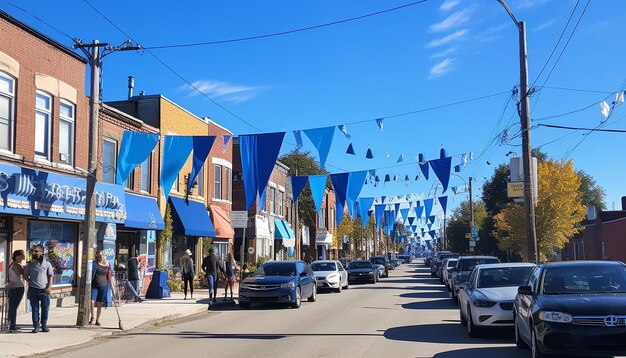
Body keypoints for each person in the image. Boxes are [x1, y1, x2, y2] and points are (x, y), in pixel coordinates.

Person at [22, 244, 54, 333]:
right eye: (34, 251)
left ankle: (44, 325)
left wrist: (49, 287)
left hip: (44, 290)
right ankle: (36, 326)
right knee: (35, 308)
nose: (35, 253)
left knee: (45, 308)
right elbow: (24, 275)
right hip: (33, 289)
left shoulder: (47, 264)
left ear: (41, 252)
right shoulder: (30, 264)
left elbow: (51, 276)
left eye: (37, 251)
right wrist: (30, 281)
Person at [90, 251, 114, 326]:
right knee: (91, 301)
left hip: (103, 285)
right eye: (98, 255)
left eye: (101, 255)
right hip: (94, 285)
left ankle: (97, 320)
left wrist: (112, 286)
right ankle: (92, 317)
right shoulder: (94, 264)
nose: (100, 256)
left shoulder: (107, 264)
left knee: (99, 304)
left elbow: (109, 276)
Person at [7, 249, 25, 332]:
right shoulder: (16, 265)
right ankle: (12, 325)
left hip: (13, 287)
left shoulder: (10, 265)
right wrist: (23, 269)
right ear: (17, 256)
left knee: (12, 306)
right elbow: (20, 274)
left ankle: (11, 323)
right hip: (18, 287)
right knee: (14, 306)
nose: (23, 256)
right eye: (22, 255)